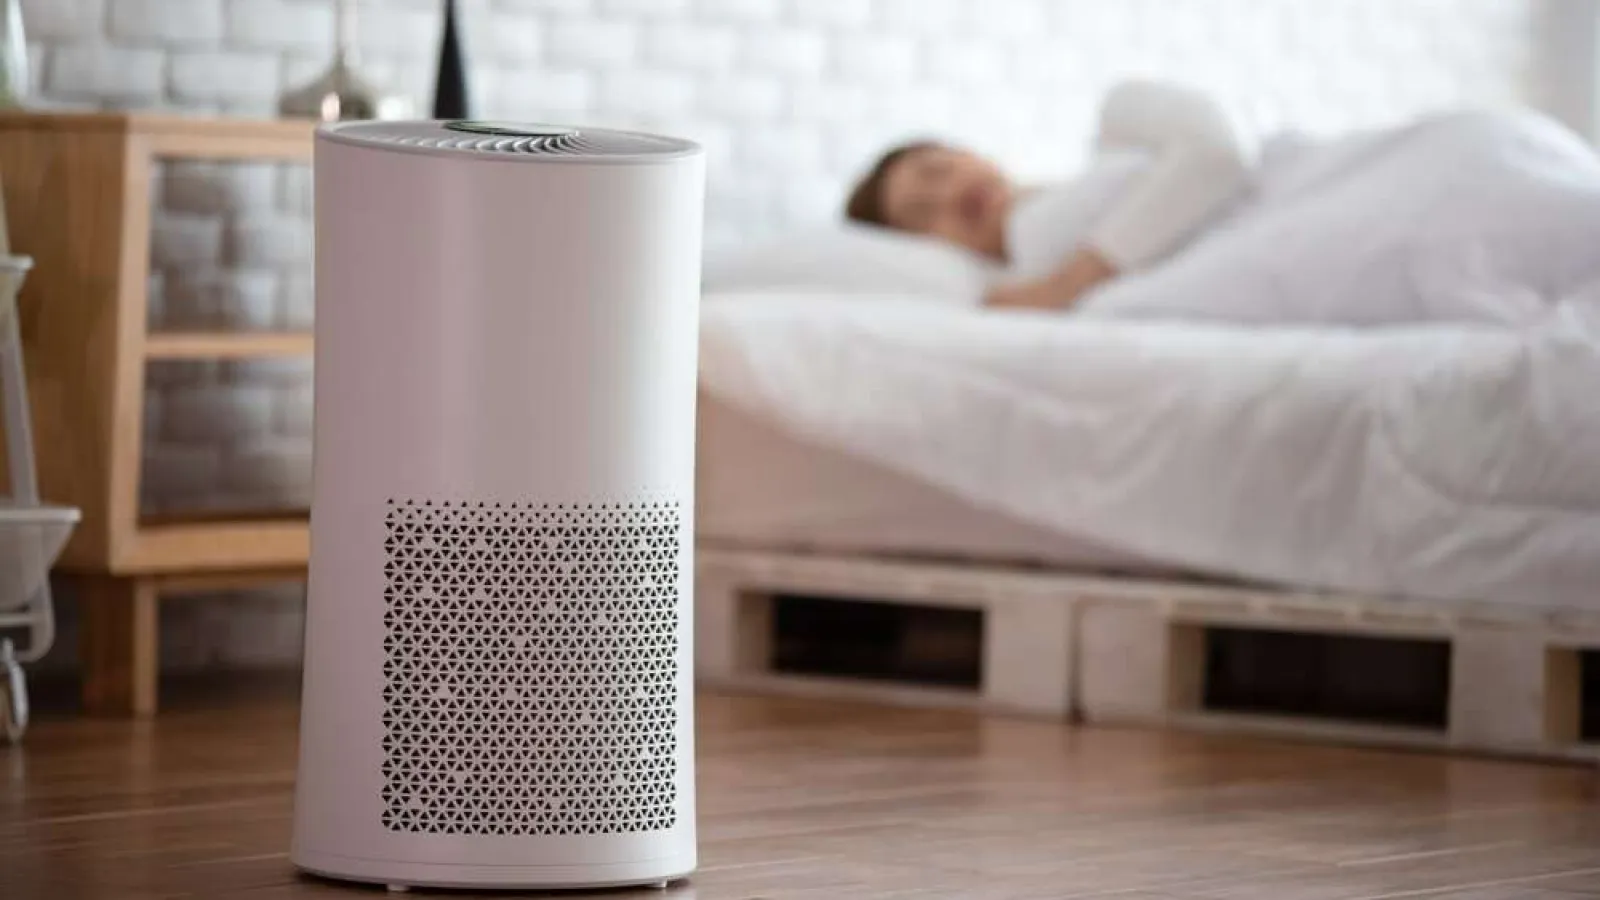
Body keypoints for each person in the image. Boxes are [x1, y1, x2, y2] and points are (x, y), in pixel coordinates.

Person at [845, 80, 1251, 310]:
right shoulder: (1010, 289)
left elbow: (1215, 153)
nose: (950, 194)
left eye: (940, 169)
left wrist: (1069, 283)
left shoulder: (1118, 126)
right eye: (922, 214)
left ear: (968, 152)